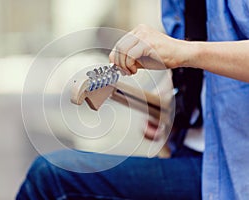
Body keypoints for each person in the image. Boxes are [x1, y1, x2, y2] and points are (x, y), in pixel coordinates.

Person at [17, 0, 249, 199]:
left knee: (50, 178)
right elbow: (201, 77)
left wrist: (184, 52)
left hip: (232, 172)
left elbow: (187, 54)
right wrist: (171, 108)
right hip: (191, 154)